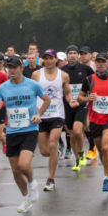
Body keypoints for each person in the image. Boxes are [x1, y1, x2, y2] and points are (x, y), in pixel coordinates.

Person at [0, 56, 49, 213]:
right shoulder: (3, 88)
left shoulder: (32, 85)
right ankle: (25, 198)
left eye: (14, 67)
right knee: (16, 170)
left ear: (21, 68)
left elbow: (47, 99)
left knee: (23, 165)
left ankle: (32, 183)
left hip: (29, 130)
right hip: (12, 132)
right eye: (9, 68)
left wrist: (39, 115)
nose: (11, 71)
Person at [79, 51, 108, 192]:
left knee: (105, 147)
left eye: (103, 62)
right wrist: (87, 99)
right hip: (95, 120)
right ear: (95, 63)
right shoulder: (89, 79)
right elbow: (80, 97)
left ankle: (106, 178)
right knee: (101, 152)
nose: (100, 64)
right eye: (98, 62)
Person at [32, 49, 69, 191]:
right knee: (44, 151)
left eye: (51, 58)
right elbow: (32, 92)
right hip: (41, 116)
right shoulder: (36, 74)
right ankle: (56, 154)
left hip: (57, 114)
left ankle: (51, 179)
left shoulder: (64, 75)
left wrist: (71, 100)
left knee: (53, 143)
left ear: (56, 60)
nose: (48, 61)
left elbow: (67, 93)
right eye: (45, 58)